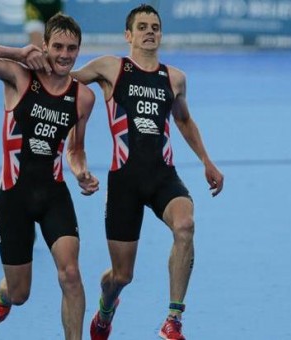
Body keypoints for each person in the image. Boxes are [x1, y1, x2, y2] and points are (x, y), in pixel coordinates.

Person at [70, 4, 224, 340]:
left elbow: (183, 119)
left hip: (162, 177)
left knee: (185, 225)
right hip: (124, 181)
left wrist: (206, 161)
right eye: (142, 26)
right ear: (128, 35)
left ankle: (173, 320)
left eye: (155, 26)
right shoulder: (111, 68)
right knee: (122, 276)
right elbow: (64, 81)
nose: (150, 31)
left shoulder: (175, 78)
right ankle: (107, 308)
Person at [0, 13, 98, 340]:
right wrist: (18, 53)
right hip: (14, 197)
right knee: (20, 292)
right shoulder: (20, 77)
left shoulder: (83, 97)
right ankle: (4, 294)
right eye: (58, 47)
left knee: (70, 274)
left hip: (54, 195)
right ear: (45, 46)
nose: (65, 55)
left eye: (72, 48)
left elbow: (75, 148)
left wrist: (81, 171)